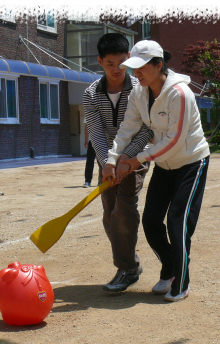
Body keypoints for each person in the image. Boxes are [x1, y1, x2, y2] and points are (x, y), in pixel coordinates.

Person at [104, 40, 210, 302]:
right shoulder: (138, 94)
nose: (135, 73)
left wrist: (135, 160)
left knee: (177, 222)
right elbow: (127, 129)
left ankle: (181, 283)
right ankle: (171, 268)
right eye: (133, 67)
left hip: (191, 163)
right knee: (151, 221)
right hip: (164, 164)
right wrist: (113, 158)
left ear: (158, 65)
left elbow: (174, 140)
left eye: (141, 67)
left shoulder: (180, 94)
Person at [83, 33, 154, 292]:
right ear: (100, 61)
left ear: (130, 60)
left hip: (135, 156)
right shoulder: (91, 94)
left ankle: (126, 269)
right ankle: (130, 263)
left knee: (124, 208)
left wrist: (127, 160)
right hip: (108, 161)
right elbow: (97, 132)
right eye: (110, 63)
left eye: (122, 62)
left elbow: (147, 129)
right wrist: (108, 163)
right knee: (110, 213)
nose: (116, 69)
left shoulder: (140, 89)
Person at [82, 121, 97, 188]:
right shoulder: (90, 111)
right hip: (92, 140)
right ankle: (87, 181)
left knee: (103, 160)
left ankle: (101, 180)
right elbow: (87, 127)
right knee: (90, 160)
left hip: (104, 139)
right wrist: (86, 140)